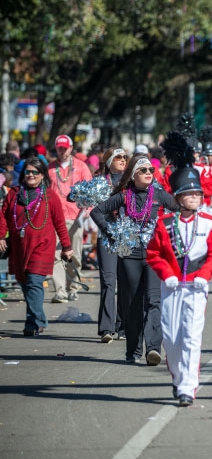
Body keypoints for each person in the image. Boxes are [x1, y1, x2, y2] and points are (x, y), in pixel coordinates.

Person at [146, 152, 212, 406]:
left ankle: (188, 388)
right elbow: (154, 253)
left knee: (192, 336)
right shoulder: (164, 223)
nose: (195, 197)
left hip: (197, 287)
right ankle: (178, 378)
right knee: (171, 338)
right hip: (172, 286)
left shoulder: (210, 222)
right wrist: (166, 274)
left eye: (198, 194)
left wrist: (204, 275)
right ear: (178, 198)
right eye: (190, 194)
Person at [91, 153, 180, 364]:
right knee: (131, 304)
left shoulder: (159, 194)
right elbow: (97, 212)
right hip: (129, 256)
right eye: (143, 170)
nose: (149, 173)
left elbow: (179, 210)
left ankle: (153, 348)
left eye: (151, 170)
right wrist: (112, 233)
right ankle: (133, 350)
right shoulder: (123, 196)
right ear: (133, 174)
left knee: (153, 301)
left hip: (154, 257)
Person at [0, 157, 73, 336]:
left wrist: (66, 246)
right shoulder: (14, 193)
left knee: (34, 282)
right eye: (28, 172)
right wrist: (1, 236)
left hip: (42, 246)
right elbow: (3, 216)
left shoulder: (50, 196)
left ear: (42, 175)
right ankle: (38, 319)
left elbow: (60, 224)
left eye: (35, 172)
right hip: (19, 247)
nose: (31, 175)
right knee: (24, 283)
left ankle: (32, 323)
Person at [47, 134, 93, 303]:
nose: (62, 151)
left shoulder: (81, 167)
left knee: (75, 255)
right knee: (55, 254)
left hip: (75, 217)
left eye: (65, 148)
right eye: (59, 148)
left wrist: (87, 210)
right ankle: (60, 291)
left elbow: (90, 192)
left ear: (71, 148)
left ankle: (73, 287)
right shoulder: (50, 168)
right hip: (54, 218)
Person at [95, 147, 128, 343]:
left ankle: (122, 326)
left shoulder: (131, 181)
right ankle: (106, 329)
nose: (123, 160)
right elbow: (79, 199)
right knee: (109, 282)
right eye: (118, 157)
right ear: (109, 162)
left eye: (125, 157)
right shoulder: (100, 182)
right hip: (106, 237)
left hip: (127, 237)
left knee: (125, 282)